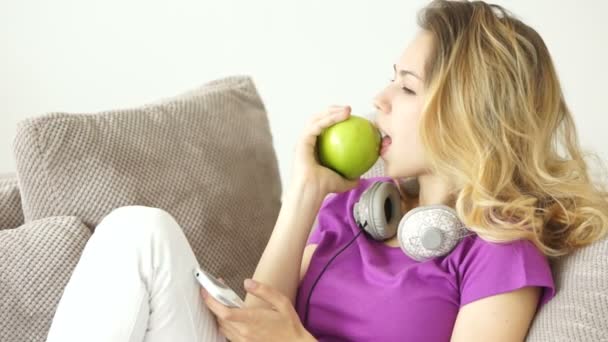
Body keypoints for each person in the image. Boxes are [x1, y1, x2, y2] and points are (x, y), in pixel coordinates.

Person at [46, 0, 608, 341]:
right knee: (140, 230)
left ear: (469, 111)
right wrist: (306, 194)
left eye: (407, 87)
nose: (380, 98)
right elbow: (256, 315)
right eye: (392, 77)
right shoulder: (363, 206)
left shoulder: (498, 251)